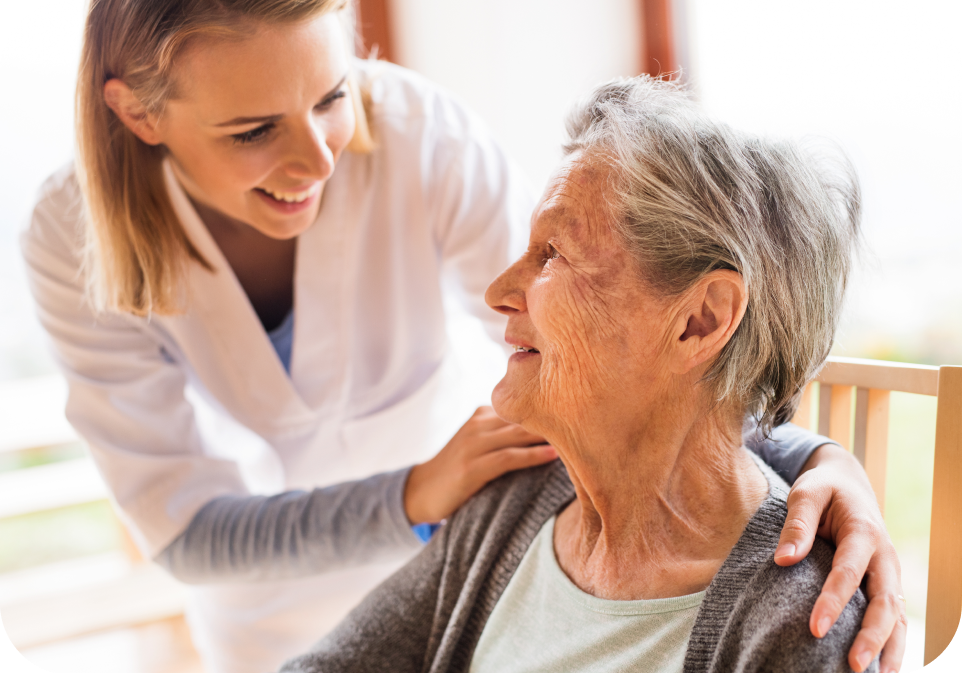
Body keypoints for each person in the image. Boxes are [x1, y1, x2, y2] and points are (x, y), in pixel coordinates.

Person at [19, 2, 903, 672]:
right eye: (253, 131)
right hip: (294, 596)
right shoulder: (69, 238)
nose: (322, 158)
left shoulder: (790, 615)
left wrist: (812, 453)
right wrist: (419, 497)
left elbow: (639, 351)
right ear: (139, 115)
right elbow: (190, 531)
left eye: (333, 96)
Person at [280, 76, 896, 673]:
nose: (498, 292)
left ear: (700, 321)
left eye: (553, 255)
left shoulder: (804, 623)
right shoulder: (513, 501)